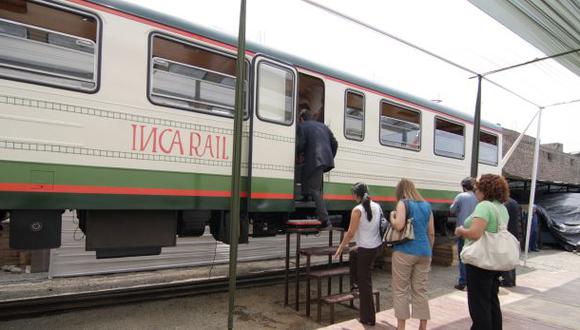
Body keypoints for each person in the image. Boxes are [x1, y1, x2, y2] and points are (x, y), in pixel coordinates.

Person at [455, 174, 510, 330]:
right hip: (494, 261)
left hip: (480, 261)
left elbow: (475, 233)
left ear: (485, 190)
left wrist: (461, 230)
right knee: (492, 301)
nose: (475, 192)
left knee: (479, 305)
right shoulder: (502, 208)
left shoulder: (484, 206)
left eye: (477, 188)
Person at [334, 182, 383, 326]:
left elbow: (350, 233)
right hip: (374, 248)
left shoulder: (357, 210)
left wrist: (340, 248)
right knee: (354, 256)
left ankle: (368, 318)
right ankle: (355, 284)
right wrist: (357, 246)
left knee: (365, 284)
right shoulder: (377, 206)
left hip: (366, 251)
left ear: (355, 195)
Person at [390, 178, 435, 330]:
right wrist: (429, 251)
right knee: (420, 290)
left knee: (401, 290)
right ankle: (422, 326)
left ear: (400, 191)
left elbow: (399, 225)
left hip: (405, 251)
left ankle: (401, 327)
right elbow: (431, 233)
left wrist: (392, 217)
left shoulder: (403, 203)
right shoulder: (427, 205)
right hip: (424, 252)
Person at [296, 106, 338, 227]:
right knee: (305, 172)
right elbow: (335, 142)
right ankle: (305, 195)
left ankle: (325, 220)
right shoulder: (323, 126)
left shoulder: (302, 126)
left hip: (314, 160)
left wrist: (298, 153)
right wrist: (330, 155)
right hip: (323, 159)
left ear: (301, 119)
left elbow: (301, 143)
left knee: (315, 189)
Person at [450, 177, 478, 291]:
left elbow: (452, 210)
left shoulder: (461, 196)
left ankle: (463, 282)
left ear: (464, 187)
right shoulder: (477, 197)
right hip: (475, 230)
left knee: (463, 256)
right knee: (473, 257)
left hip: (463, 231)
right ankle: (472, 281)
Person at [501, 197, 522, 287]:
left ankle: (508, 280)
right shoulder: (514, 202)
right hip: (515, 233)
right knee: (511, 258)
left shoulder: (505, 204)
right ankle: (511, 280)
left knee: (506, 258)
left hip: (508, 233)